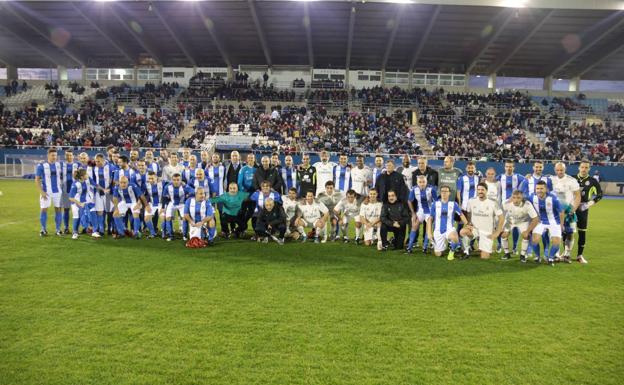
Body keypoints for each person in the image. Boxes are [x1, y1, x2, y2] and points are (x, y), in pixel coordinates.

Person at [459, 183, 504, 259]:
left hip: (487, 232)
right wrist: (469, 223)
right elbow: (469, 213)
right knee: (462, 232)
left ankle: (485, 245)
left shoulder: (493, 202)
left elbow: (501, 218)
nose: (480, 191)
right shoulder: (471, 201)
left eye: (482, 190)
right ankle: (466, 251)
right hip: (475, 230)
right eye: (478, 189)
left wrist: (496, 233)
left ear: (486, 191)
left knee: (484, 257)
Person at [426, 186, 468, 260]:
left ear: (449, 193)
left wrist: (467, 224)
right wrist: (429, 232)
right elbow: (430, 219)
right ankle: (447, 245)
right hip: (438, 231)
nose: (444, 193)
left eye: (446, 191)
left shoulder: (453, 204)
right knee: (438, 254)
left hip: (449, 229)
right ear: (440, 193)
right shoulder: (435, 204)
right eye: (442, 191)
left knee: (454, 237)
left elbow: (461, 215)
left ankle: (451, 252)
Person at [528, 180, 564, 266]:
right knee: (534, 240)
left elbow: (561, 212)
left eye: (541, 188)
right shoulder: (532, 197)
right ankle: (537, 257)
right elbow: (521, 199)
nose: (539, 190)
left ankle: (551, 258)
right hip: (540, 221)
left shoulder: (554, 199)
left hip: (554, 221)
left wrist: (561, 226)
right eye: (537, 188)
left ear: (546, 189)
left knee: (556, 242)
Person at [575, 160, 602, 264]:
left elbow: (600, 195)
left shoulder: (593, 181)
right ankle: (566, 254)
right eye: (582, 167)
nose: (584, 169)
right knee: (567, 232)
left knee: (582, 232)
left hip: (583, 210)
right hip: (571, 209)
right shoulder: (572, 178)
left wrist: (588, 204)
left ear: (589, 169)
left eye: (586, 167)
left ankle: (579, 255)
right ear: (579, 168)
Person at [500, 190, 539, 262]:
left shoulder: (527, 204)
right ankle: (507, 254)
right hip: (510, 220)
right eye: (514, 197)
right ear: (511, 197)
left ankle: (522, 255)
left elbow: (535, 219)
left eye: (518, 198)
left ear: (522, 198)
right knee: (504, 235)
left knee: (525, 235)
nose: (516, 200)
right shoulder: (506, 203)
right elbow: (499, 214)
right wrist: (500, 226)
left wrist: (527, 231)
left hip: (523, 222)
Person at [497, 160, 525, 253]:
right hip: (503, 206)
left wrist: (528, 176)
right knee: (500, 225)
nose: (509, 168)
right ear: (505, 167)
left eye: (511, 166)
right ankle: (499, 244)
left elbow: (528, 180)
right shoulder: (500, 177)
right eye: (507, 166)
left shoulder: (519, 177)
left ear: (514, 167)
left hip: (515, 206)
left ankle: (515, 247)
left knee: (515, 226)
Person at [406, 175, 438, 253]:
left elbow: (436, 202)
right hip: (420, 211)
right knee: (414, 226)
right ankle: (409, 247)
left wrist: (433, 213)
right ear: (417, 182)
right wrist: (413, 213)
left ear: (426, 182)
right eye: (420, 182)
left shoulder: (431, 189)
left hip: (429, 211)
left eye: (423, 182)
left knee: (428, 227)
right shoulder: (414, 189)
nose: (422, 183)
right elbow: (409, 201)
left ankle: (425, 247)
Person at [36, 148, 63, 237]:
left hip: (58, 192)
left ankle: (58, 230)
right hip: (46, 192)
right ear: (48, 155)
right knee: (44, 209)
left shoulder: (60, 165)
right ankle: (43, 229)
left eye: (55, 155)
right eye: (52, 155)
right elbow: (37, 180)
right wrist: (41, 191)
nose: (54, 157)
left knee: (58, 209)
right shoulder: (41, 165)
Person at [68, 168, 98, 239]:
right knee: (77, 217)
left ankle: (94, 231)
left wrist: (103, 189)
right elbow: (70, 197)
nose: (87, 175)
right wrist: (79, 203)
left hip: (87, 201)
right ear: (82, 176)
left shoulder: (87, 180)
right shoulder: (75, 184)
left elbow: (95, 185)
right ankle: (75, 233)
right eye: (86, 174)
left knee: (93, 213)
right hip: (76, 203)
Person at [91, 154, 114, 236]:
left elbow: (114, 179)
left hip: (108, 192)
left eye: (99, 161)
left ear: (103, 160)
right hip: (98, 193)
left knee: (109, 211)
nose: (97, 163)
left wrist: (110, 188)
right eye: (96, 161)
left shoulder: (111, 167)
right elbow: (93, 180)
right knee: (100, 211)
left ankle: (110, 228)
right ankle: (101, 229)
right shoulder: (95, 168)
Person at [162, 173, 189, 241]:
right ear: (172, 180)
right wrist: (163, 207)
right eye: (174, 180)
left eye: (178, 180)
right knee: (168, 218)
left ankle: (185, 235)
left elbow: (192, 193)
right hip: (172, 203)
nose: (176, 181)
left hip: (182, 204)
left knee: (184, 218)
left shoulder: (185, 186)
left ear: (180, 180)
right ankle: (171, 236)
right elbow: (164, 197)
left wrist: (187, 200)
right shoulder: (167, 186)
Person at [61, 149, 80, 234]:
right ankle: (66, 227)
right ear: (65, 156)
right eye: (67, 155)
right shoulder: (61, 165)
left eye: (70, 155)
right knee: (66, 209)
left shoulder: (77, 165)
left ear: (73, 156)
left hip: (76, 191)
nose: (69, 157)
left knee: (77, 210)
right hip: (65, 190)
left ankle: (76, 228)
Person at [143, 171, 164, 238]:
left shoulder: (162, 183)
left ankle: (165, 232)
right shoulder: (146, 185)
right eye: (149, 178)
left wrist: (164, 206)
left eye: (152, 178)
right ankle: (153, 233)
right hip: (151, 204)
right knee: (146, 218)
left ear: (156, 177)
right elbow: (145, 196)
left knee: (163, 217)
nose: (151, 180)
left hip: (161, 204)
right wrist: (146, 205)